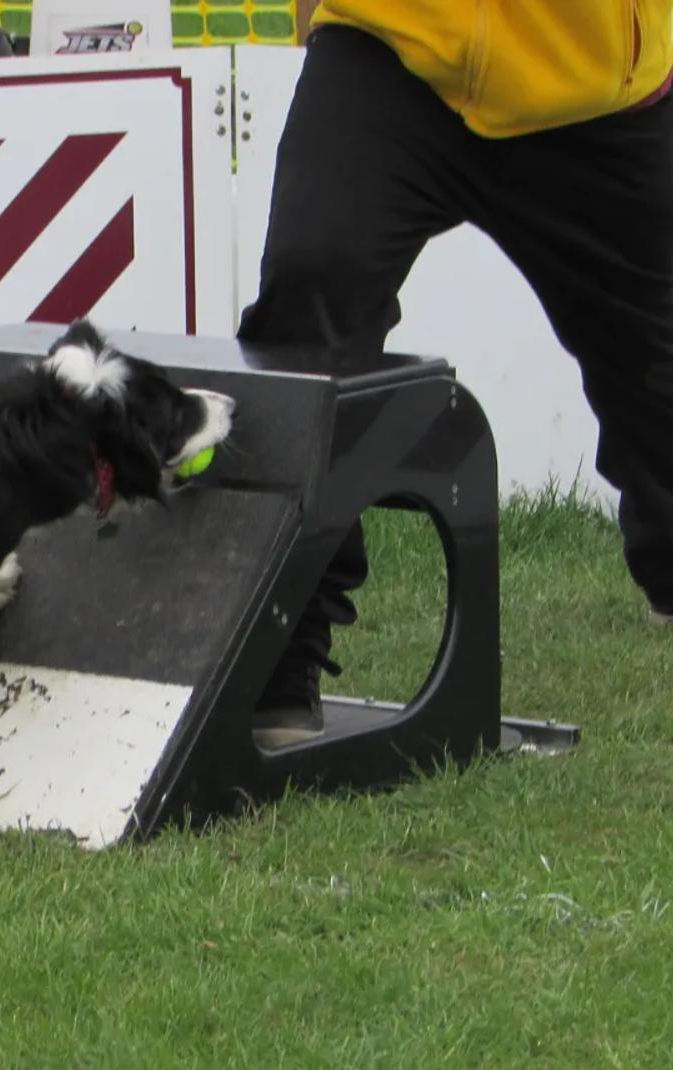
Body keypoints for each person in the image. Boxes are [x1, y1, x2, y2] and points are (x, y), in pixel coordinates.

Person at [240, 2, 673, 746]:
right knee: (310, 304)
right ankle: (279, 661)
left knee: (660, 376)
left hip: (595, 84)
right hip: (394, 43)